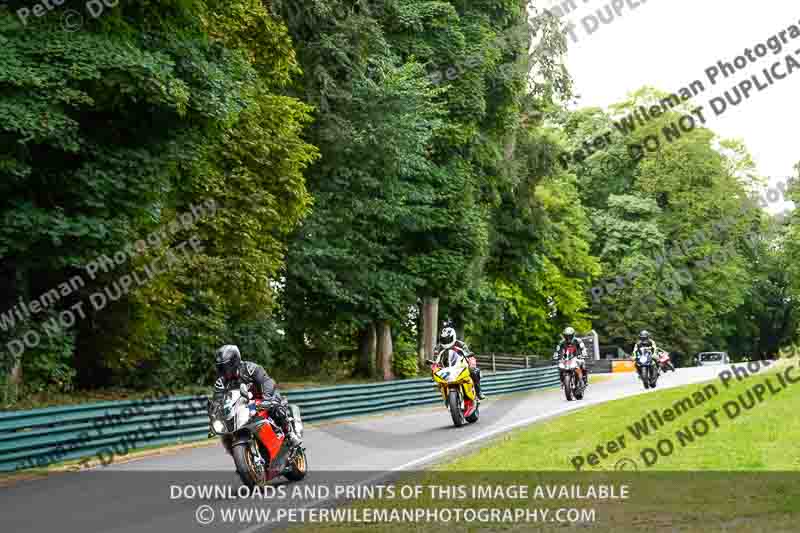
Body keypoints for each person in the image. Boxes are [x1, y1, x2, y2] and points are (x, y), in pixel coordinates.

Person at [212, 344, 301, 448]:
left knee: (275, 407)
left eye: (225, 367)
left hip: (261, 400)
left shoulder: (250, 369)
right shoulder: (221, 382)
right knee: (226, 435)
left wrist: (267, 398)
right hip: (244, 407)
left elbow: (266, 381)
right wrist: (215, 414)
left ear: (234, 362)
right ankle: (242, 454)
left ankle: (290, 434)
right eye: (221, 367)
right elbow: (217, 401)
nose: (223, 370)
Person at [434, 327, 485, 400]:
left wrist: (470, 360)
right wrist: (434, 364)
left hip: (459, 364)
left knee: (474, 370)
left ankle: (478, 391)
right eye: (444, 339)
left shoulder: (461, 344)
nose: (446, 341)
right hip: (445, 367)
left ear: (453, 337)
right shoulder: (438, 347)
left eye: (448, 339)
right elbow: (435, 359)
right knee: (434, 371)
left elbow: (468, 354)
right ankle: (440, 387)